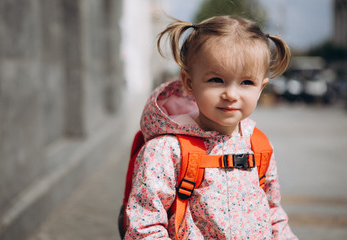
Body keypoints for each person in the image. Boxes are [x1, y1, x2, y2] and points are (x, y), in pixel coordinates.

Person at [124, 15, 297, 239]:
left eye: (246, 82)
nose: (231, 95)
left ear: (261, 87)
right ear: (189, 83)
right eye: (216, 80)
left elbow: (273, 212)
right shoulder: (166, 150)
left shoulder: (259, 146)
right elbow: (144, 225)